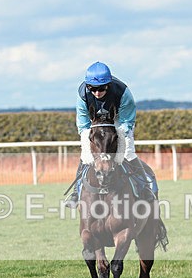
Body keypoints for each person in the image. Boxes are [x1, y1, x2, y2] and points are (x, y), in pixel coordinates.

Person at [65, 61, 154, 207]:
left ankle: (145, 189)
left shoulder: (123, 92)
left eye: (101, 88)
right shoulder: (82, 94)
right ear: (87, 86)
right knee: (85, 156)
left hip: (119, 121)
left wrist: (115, 137)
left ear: (109, 84)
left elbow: (127, 122)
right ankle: (76, 192)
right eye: (92, 89)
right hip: (93, 123)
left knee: (128, 153)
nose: (97, 93)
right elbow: (83, 124)